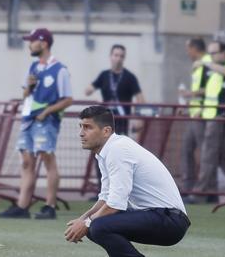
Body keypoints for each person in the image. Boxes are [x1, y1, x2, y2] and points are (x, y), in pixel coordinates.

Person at [65, 106, 190, 257]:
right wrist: (83, 219)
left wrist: (86, 223)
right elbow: (105, 198)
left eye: (87, 127)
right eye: (81, 127)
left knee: (97, 226)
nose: (81, 133)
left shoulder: (118, 150)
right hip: (158, 216)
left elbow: (115, 205)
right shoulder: (106, 151)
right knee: (93, 227)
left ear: (106, 131)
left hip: (170, 220)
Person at [0, 28, 73, 220]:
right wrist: (29, 87)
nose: (29, 45)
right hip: (28, 119)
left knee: (48, 160)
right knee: (26, 162)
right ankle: (22, 206)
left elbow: (68, 99)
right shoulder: (32, 67)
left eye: (32, 41)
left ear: (43, 43)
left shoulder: (60, 69)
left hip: (46, 121)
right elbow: (25, 95)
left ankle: (50, 206)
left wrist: (47, 111)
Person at [193, 41, 225, 201]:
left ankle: (199, 193)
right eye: (210, 53)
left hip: (221, 118)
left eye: (214, 53)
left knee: (208, 155)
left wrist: (206, 63)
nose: (211, 57)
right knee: (224, 159)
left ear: (224, 53)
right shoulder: (212, 70)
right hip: (214, 117)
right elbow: (209, 92)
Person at [85, 44, 145, 135]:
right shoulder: (104, 75)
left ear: (124, 58)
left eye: (121, 56)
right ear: (110, 56)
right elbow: (88, 91)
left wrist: (138, 119)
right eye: (116, 55)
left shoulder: (130, 77)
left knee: (120, 146)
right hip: (105, 120)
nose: (118, 59)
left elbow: (141, 100)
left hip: (123, 121)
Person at [178, 38, 211, 198]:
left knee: (205, 154)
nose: (187, 52)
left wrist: (189, 95)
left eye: (188, 48)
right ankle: (188, 187)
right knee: (187, 149)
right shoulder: (199, 64)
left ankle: (205, 190)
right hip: (194, 114)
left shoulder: (207, 64)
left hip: (202, 115)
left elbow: (211, 90)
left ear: (194, 48)